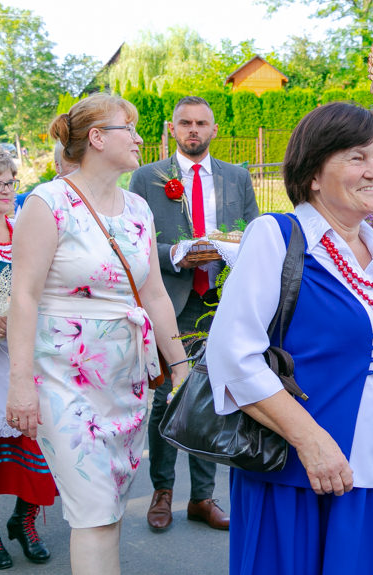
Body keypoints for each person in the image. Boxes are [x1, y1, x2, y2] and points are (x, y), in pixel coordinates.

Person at [206, 102, 373, 575]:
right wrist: (310, 440)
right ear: (312, 173)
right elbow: (232, 357)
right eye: (357, 157)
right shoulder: (276, 236)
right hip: (303, 475)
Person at [5, 93, 189, 575]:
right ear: (97, 137)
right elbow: (22, 297)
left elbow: (155, 296)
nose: (140, 137)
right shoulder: (48, 202)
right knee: (92, 510)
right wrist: (20, 383)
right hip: (63, 378)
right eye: (128, 128)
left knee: (109, 509)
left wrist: (183, 370)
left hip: (126, 377)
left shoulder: (138, 209)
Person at [129, 95, 259, 532]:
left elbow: (252, 231)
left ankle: (203, 497)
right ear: (171, 128)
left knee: (214, 399)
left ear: (214, 129)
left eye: (201, 123)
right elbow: (135, 241)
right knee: (169, 398)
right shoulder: (147, 178)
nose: (193, 130)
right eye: (185, 122)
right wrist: (174, 255)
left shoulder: (237, 177)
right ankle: (162, 491)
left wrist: (232, 245)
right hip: (173, 303)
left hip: (224, 301)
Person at [0, 142, 56, 570]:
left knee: (37, 447)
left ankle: (25, 520)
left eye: (11, 182)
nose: (7, 190)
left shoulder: (28, 229)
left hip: (32, 357)